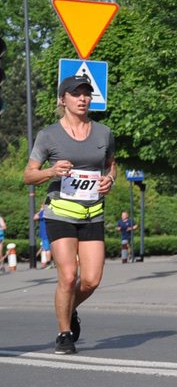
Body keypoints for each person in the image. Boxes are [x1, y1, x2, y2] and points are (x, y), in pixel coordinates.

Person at [23, 75, 116, 354]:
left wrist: (110, 179)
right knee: (67, 276)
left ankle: (69, 308)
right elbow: (29, 176)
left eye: (87, 93)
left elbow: (111, 165)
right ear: (63, 99)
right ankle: (64, 333)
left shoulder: (103, 133)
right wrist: (51, 171)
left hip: (93, 213)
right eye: (76, 94)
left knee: (91, 280)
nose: (83, 98)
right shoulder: (48, 135)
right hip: (60, 213)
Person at [34, 203, 53, 268]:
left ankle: (48, 263)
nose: (41, 206)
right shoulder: (49, 212)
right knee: (48, 248)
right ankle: (51, 262)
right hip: (48, 232)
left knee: (47, 249)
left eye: (41, 205)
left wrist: (41, 210)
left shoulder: (43, 212)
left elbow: (35, 217)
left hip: (45, 233)